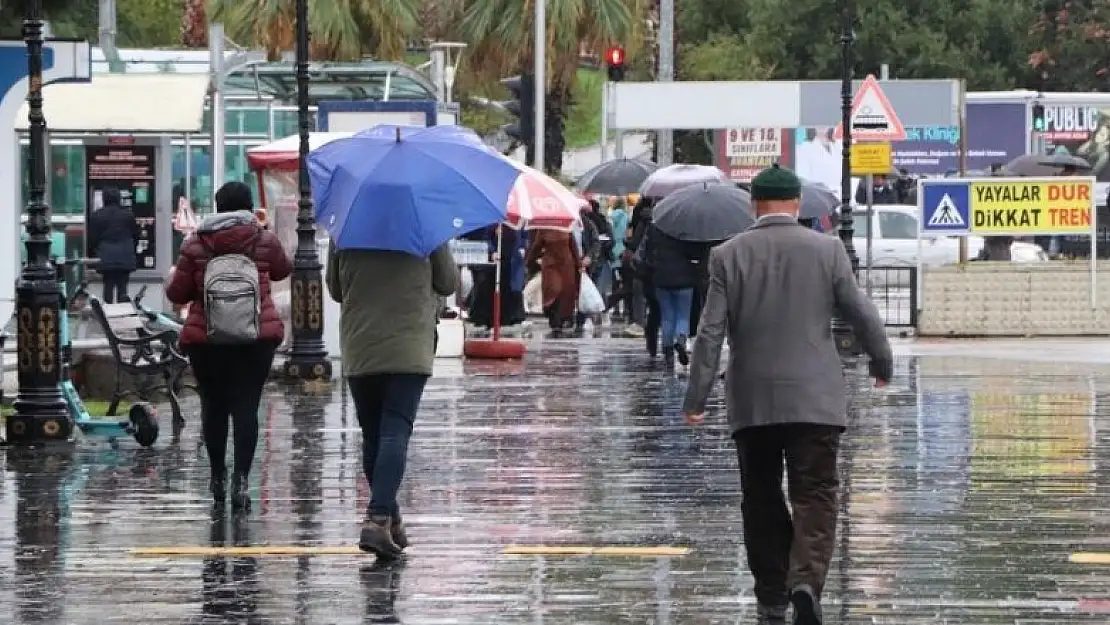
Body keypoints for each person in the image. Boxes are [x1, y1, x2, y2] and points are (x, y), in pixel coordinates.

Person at [682, 165, 892, 625]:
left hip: (753, 401)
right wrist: (882, 362)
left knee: (760, 497)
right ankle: (805, 582)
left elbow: (710, 333)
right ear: (797, 205)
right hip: (816, 402)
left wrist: (696, 398)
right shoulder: (828, 250)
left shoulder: (727, 255)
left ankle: (772, 596)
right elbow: (862, 313)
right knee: (815, 493)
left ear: (753, 204)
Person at [326, 235, 458, 559]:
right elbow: (448, 281)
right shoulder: (425, 223)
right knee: (395, 432)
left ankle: (390, 519)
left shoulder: (346, 224)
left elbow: (335, 289)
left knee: (374, 436)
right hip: (408, 345)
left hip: (361, 345)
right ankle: (378, 516)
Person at [166, 181, 292, 512]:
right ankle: (241, 482)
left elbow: (176, 294)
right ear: (249, 206)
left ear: (218, 207)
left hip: (207, 340)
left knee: (214, 406)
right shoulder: (263, 239)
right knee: (247, 408)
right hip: (255, 338)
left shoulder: (196, 243)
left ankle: (218, 477)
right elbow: (283, 269)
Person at [633, 220, 698, 369]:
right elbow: (695, 253)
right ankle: (681, 339)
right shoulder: (686, 229)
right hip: (685, 278)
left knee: (667, 315)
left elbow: (646, 253)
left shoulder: (655, 229)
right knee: (683, 314)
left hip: (661, 278)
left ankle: (668, 352)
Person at [88, 186, 140, 303]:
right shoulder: (128, 215)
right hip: (125, 256)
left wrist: (96, 252)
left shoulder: (97, 215)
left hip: (106, 257)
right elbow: (136, 235)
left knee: (108, 287)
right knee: (123, 289)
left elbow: (93, 239)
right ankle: (122, 315)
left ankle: (108, 315)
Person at [525, 229, 580, 331]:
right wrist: (529, 261)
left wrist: (578, 264)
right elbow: (536, 247)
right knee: (553, 289)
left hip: (566, 264)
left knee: (566, 292)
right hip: (551, 265)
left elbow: (573, 246)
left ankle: (565, 319)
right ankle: (554, 317)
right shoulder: (543, 231)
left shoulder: (567, 229)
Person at [606, 198, 631, 320]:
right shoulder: (627, 217)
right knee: (626, 280)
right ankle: (626, 308)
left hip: (613, 249)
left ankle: (615, 307)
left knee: (614, 280)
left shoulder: (610, 217)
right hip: (624, 249)